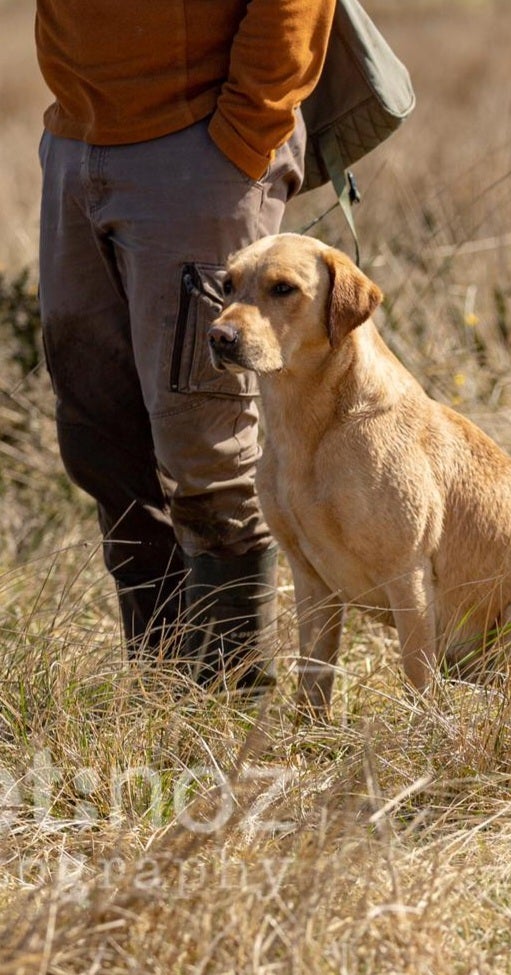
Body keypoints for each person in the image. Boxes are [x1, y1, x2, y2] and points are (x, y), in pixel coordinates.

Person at [35, 0, 336, 690]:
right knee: (98, 433)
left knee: (207, 449)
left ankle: (229, 708)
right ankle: (161, 689)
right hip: (77, 140)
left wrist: (241, 136)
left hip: (199, 147)